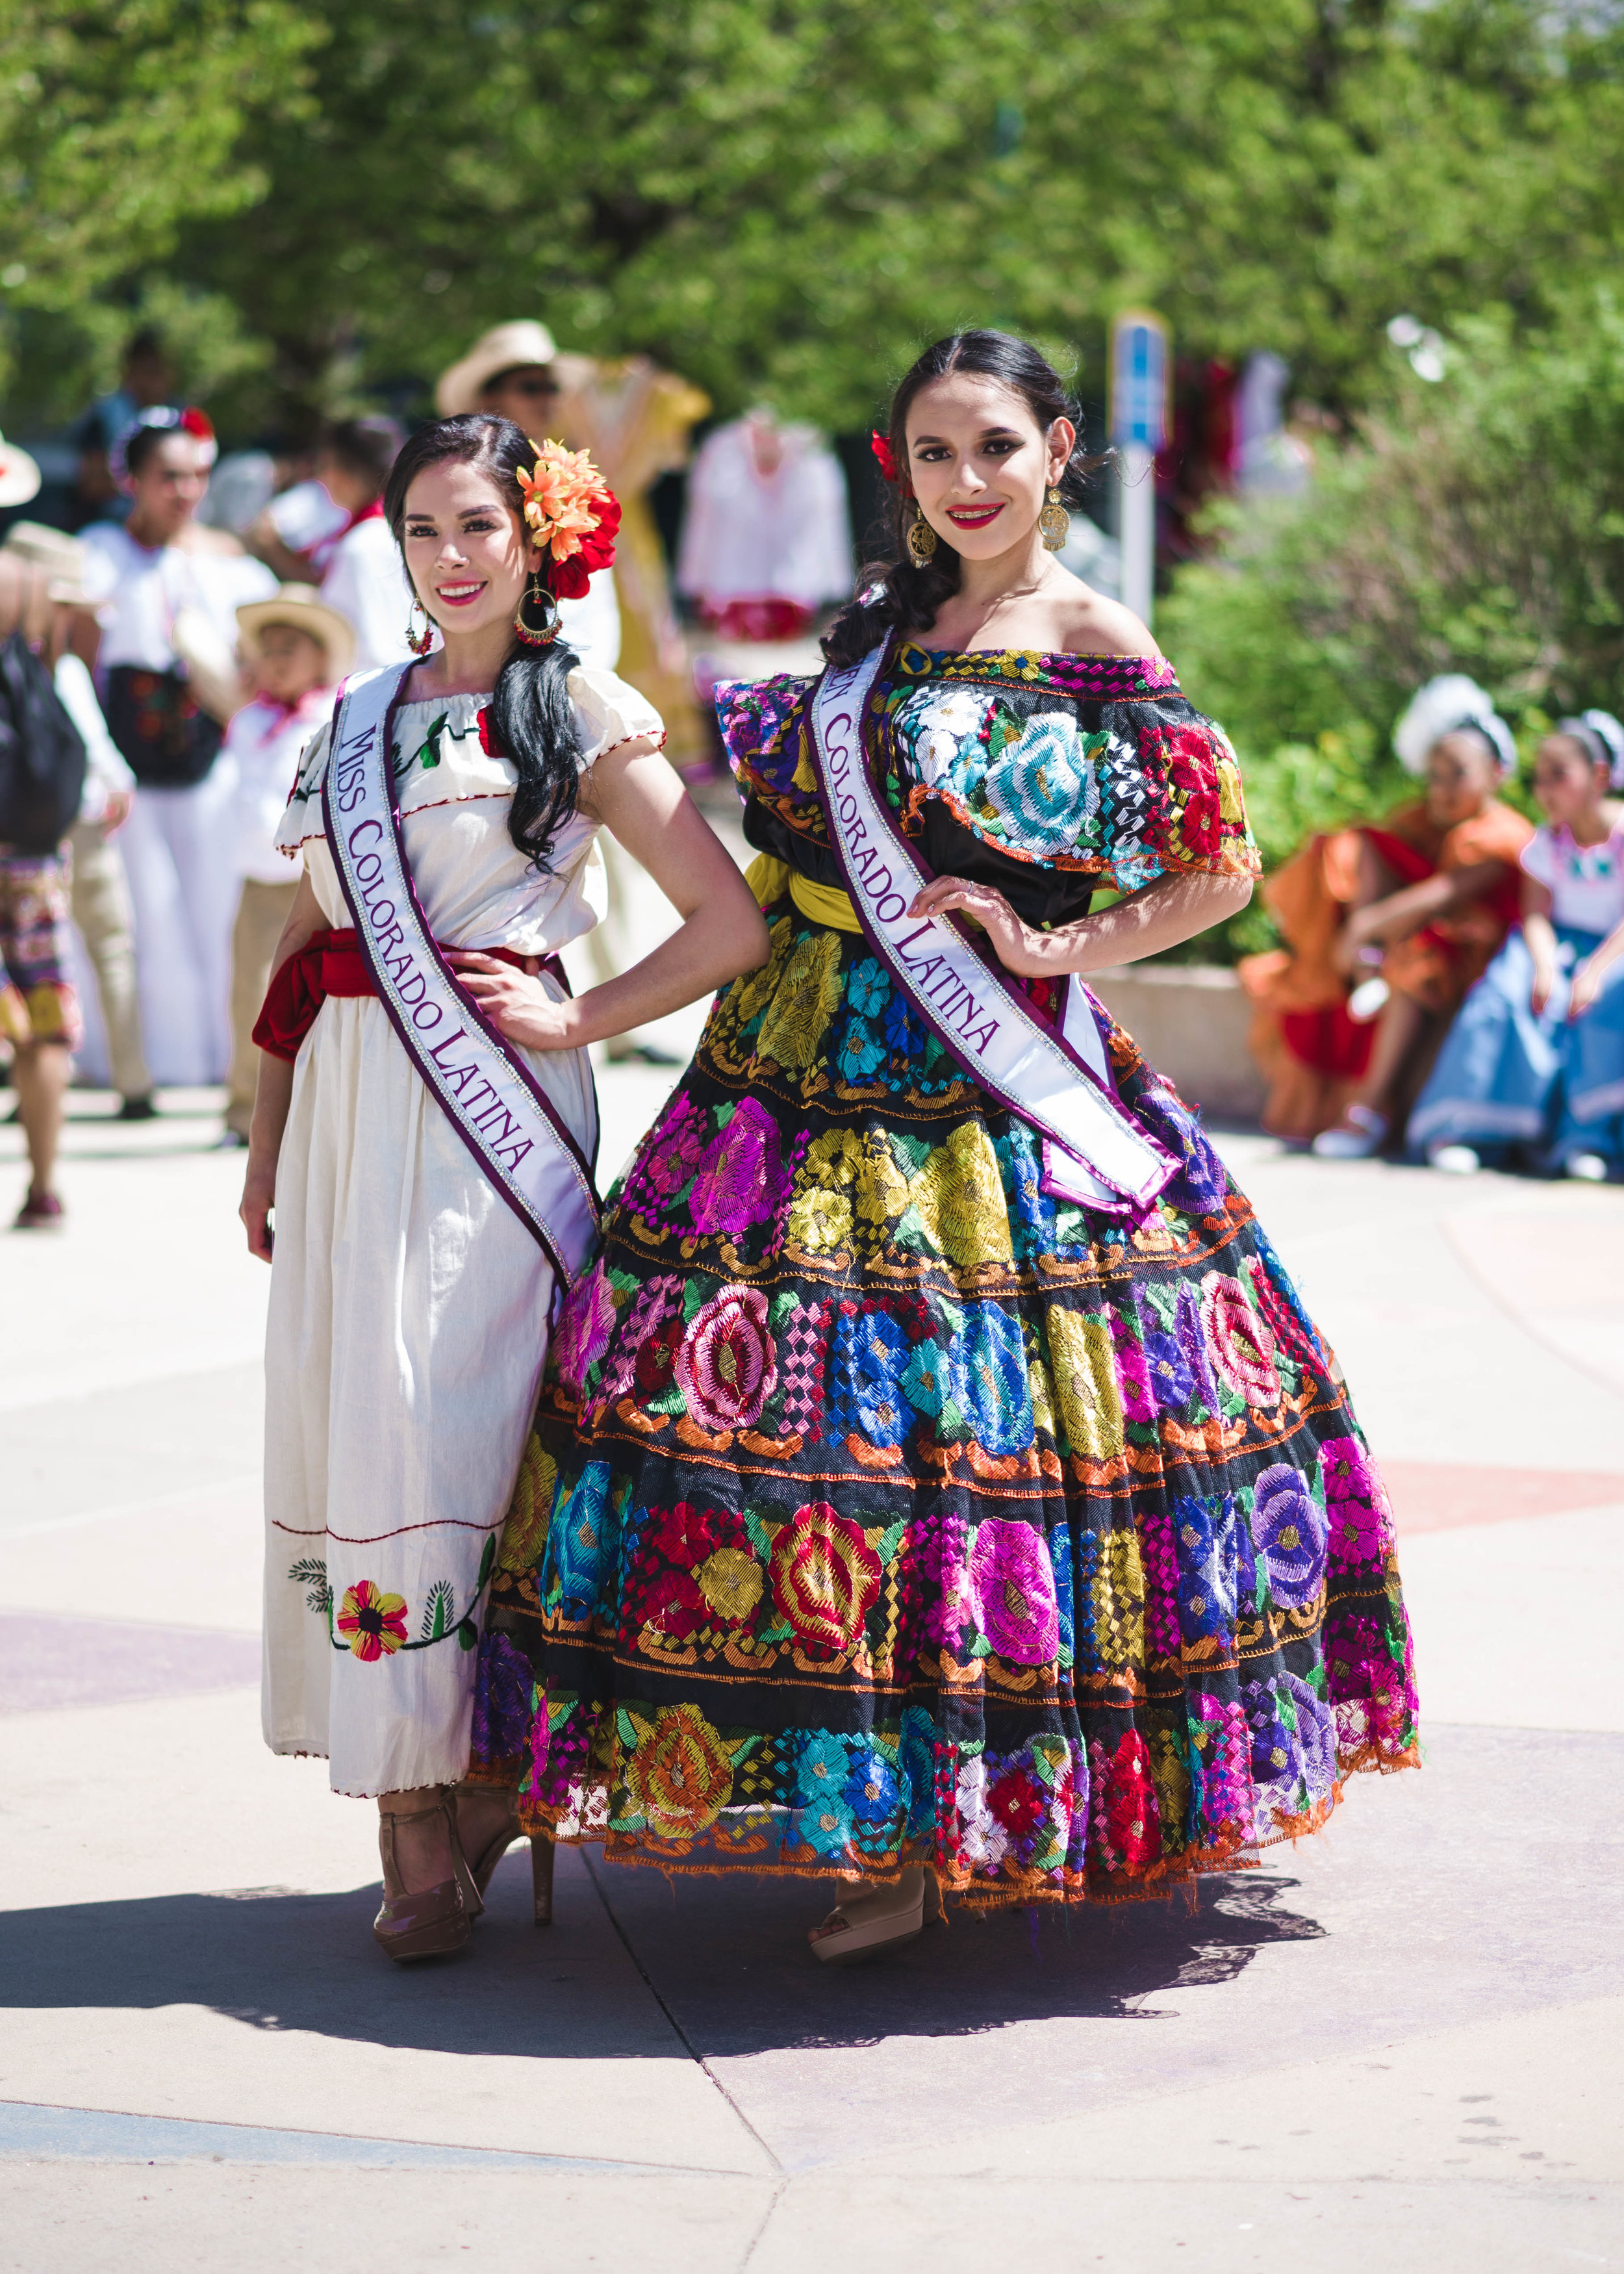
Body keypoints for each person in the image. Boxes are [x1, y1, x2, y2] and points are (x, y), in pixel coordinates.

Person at [467, 331, 1419, 1963]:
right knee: (729, 1417)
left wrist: (1057, 955)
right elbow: (762, 879)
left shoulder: (1096, 637)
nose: (964, 483)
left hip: (998, 1099)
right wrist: (597, 1004)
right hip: (788, 1069)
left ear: (1061, 449)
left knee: (956, 1444)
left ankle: (930, 1826)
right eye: (931, 454)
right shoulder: (874, 627)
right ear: (894, 465)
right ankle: (737, 1789)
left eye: (995, 447)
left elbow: (1222, 870)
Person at [244, 413, 767, 1962]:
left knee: (453, 1418)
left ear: (538, 541)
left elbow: (723, 923)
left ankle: (457, 1789)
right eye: (421, 529)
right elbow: (300, 952)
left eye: (479, 525)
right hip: (347, 1112)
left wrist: (580, 1012)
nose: (450, 557)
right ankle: (421, 1797)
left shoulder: (576, 711)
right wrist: (269, 1147)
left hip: (493, 1123)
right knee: (356, 1423)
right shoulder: (351, 722)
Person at [1241, 676, 1533, 1153]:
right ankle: (1368, 965)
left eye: (1457, 774)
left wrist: (1361, 928)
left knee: (1417, 959)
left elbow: (1441, 895)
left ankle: (1368, 1111)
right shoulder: (1429, 820)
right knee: (1353, 843)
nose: (1441, 789)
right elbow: (1374, 852)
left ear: (1497, 773)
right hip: (1435, 942)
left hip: (1482, 959)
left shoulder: (1501, 832)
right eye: (1434, 777)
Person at [80, 407, 277, 1088]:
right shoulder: (98, 559)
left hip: (214, 767)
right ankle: (145, 1061)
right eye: (168, 476)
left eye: (197, 475)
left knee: (219, 911)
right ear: (132, 479)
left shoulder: (234, 571)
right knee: (146, 914)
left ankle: (227, 1062)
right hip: (131, 772)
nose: (185, 491)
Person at [1408, 712, 1624, 1177]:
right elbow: (1536, 914)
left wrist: (1593, 974)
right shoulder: (1548, 842)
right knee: (1506, 993)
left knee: (1605, 1003)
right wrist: (1546, 967)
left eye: (1559, 775)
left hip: (1613, 951)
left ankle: (1590, 1139)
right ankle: (1469, 1129)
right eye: (1539, 777)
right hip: (1555, 945)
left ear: (1600, 776)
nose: (1545, 789)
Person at [1, 522, 153, 1120]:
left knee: (58, 961)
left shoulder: (42, 667)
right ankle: (120, 1080)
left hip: (48, 832)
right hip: (68, 834)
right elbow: (93, 746)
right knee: (83, 955)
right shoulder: (47, 669)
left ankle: (46, 1087)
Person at [216, 585, 353, 1145]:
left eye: (290, 647)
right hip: (256, 877)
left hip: (310, 882)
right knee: (247, 990)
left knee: (311, 993)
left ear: (321, 657)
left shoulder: (332, 718)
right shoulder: (250, 722)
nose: (275, 660)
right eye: (267, 648)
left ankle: (310, 1108)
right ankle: (244, 1108)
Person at [436, 324, 623, 672]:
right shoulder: (449, 482)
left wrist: (573, 679)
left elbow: (595, 604)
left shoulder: (572, 481)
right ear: (489, 399)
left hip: (562, 673)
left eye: (551, 388)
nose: (546, 400)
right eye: (530, 388)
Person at [70, 329, 175, 528]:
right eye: (148, 372)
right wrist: (146, 482)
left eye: (160, 372)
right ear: (129, 372)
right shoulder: (105, 415)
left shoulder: (178, 416)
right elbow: (91, 485)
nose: (155, 382)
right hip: (110, 524)